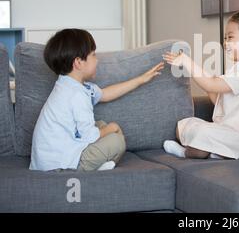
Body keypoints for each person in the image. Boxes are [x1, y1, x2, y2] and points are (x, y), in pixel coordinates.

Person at [30, 29, 165, 171]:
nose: (97, 60)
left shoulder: (70, 85)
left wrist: (141, 79)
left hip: (55, 157)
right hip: (60, 166)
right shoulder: (77, 95)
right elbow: (89, 136)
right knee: (116, 141)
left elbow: (105, 94)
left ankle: (99, 164)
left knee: (100, 124)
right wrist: (113, 127)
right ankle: (92, 168)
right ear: (78, 62)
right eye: (93, 55)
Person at [163, 10, 239, 159]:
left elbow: (211, 84)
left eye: (230, 37)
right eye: (225, 38)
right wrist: (211, 84)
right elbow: (218, 101)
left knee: (202, 134)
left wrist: (187, 62)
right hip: (226, 131)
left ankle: (186, 152)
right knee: (184, 125)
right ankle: (217, 152)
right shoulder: (237, 69)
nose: (225, 43)